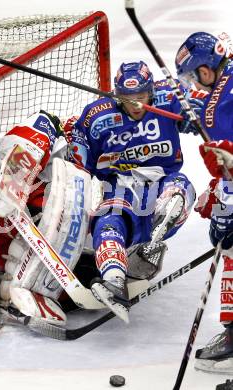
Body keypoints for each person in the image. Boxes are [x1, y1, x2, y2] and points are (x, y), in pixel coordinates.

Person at [67, 61, 196, 321]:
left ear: (151, 91)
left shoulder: (169, 97)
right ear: (117, 95)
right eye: (128, 98)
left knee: (180, 193)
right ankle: (113, 279)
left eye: (142, 97)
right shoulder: (98, 117)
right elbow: (78, 155)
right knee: (109, 222)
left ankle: (150, 240)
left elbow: (206, 113)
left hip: (163, 178)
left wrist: (198, 117)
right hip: (119, 185)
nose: (137, 104)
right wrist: (72, 139)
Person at [0, 110, 93, 327]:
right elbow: (25, 141)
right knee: (69, 191)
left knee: (82, 275)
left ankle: (14, 290)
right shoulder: (50, 127)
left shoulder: (90, 169)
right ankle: (21, 289)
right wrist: (13, 179)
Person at [175, 31, 233, 372]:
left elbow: (229, 167)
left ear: (206, 70)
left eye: (194, 76)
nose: (195, 83)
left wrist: (226, 205)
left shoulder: (217, 106)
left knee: (230, 247)